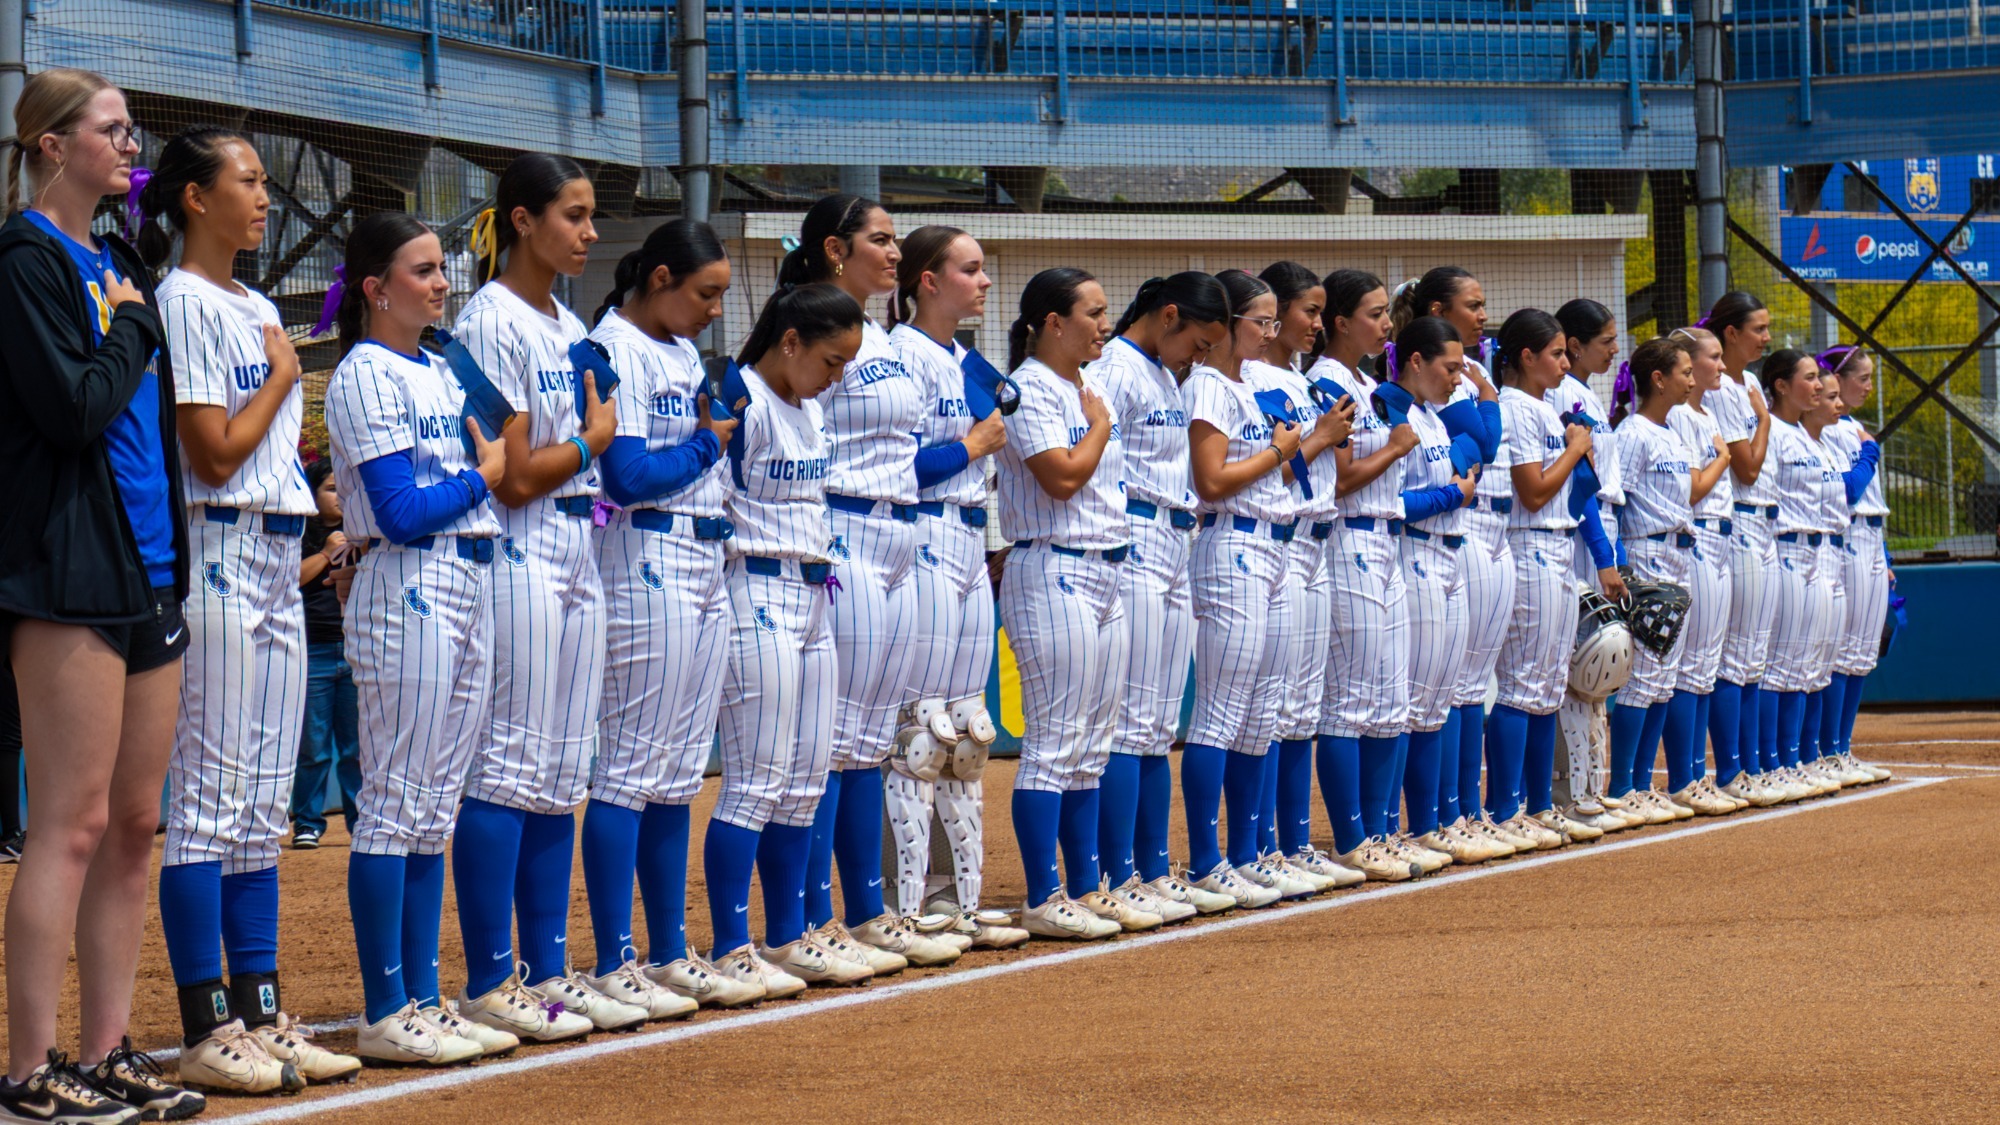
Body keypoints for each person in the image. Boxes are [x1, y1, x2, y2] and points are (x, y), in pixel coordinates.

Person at [137, 125, 362, 1091]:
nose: (265, 197)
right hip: (221, 547)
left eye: (267, 182)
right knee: (208, 801)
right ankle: (203, 1021)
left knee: (260, 805)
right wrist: (281, 378)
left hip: (274, 551)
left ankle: (260, 1011)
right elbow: (212, 452)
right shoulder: (182, 299)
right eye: (249, 180)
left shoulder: (255, 299)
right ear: (194, 197)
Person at [0, 67, 204, 1125]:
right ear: (49, 144)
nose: (133, 147)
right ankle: (29, 1070)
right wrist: (129, 327)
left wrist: (129, 309)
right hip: (69, 568)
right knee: (69, 826)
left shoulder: (118, 255)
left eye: (132, 130)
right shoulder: (23, 260)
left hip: (149, 565)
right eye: (113, 131)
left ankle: (109, 1047)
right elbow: (75, 408)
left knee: (135, 824)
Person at [450, 154, 645, 1035]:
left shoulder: (566, 319)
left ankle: (547, 970)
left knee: (562, 768)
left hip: (576, 543)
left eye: (591, 215)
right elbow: (516, 477)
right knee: (510, 764)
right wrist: (597, 440)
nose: (590, 232)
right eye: (573, 215)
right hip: (523, 547)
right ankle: (494, 976)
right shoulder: (491, 319)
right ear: (522, 220)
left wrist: (587, 450)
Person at [323, 210, 523, 1064]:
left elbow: (512, 426)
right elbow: (400, 513)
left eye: (441, 268)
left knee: (432, 807)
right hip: (410, 583)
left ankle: (424, 996)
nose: (442, 282)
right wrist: (483, 477)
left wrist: (486, 472)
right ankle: (383, 1005)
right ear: (376, 289)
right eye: (423, 269)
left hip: (466, 577)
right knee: (396, 804)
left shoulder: (437, 368)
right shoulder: (366, 372)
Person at [580, 218, 758, 1014]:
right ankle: (616, 953)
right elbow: (625, 474)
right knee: (628, 769)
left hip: (701, 557)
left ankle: (666, 948)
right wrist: (709, 445)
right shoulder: (610, 344)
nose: (715, 308)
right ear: (657, 277)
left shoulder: (681, 351)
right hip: (640, 555)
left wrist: (706, 441)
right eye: (704, 291)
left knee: (677, 772)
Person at [777, 194, 959, 969]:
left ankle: (868, 911)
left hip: (899, 534)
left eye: (893, 241)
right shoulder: (805, 326)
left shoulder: (882, 337)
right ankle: (814, 918)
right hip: (841, 526)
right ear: (833, 250)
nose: (893, 253)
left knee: (870, 741)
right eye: (878, 241)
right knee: (830, 741)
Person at [703, 281, 864, 993]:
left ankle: (789, 935)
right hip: (753, 586)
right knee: (756, 779)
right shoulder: (739, 396)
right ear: (790, 341)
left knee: (804, 782)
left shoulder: (809, 410)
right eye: (831, 360)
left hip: (813, 591)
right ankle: (732, 942)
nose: (837, 378)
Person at [883, 225, 1030, 949]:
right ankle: (904, 905)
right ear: (927, 281)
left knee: (968, 731)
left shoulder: (965, 360)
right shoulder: (898, 357)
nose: (984, 281)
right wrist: (972, 447)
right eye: (969, 270)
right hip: (922, 535)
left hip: (970, 537)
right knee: (921, 730)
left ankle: (957, 902)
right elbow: (896, 464)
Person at [993, 267, 1134, 940]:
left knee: (1093, 742)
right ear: (1053, 321)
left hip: (1107, 567)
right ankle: (1044, 892)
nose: (1105, 323)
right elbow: (1063, 478)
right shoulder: (1027, 389)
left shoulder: (1088, 383)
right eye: (1094, 312)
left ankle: (1086, 884)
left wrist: (1098, 414)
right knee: (1053, 739)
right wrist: (1101, 425)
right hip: (1054, 565)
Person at [1089, 271, 1233, 917]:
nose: (1199, 357)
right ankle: (1120, 874)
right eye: (1197, 342)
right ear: (1168, 314)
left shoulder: (1163, 373)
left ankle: (1150, 866)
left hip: (1176, 538)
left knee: (1156, 723)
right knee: (1132, 722)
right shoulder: (1116, 366)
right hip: (1137, 535)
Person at [1178, 269, 1319, 908]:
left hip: (1276, 543)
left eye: (1271, 321)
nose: (1268, 332)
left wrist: (1290, 454)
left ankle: (1249, 853)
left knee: (1263, 712)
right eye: (1258, 321)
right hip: (1231, 541)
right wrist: (1284, 452)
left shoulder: (1250, 386)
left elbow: (1275, 474)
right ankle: (1208, 860)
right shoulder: (1207, 383)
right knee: (1224, 711)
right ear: (1228, 323)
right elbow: (1211, 480)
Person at [1392, 268, 1525, 858]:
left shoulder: (1455, 381)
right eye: (1473, 305)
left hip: (1468, 535)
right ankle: (1437, 816)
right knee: (1435, 693)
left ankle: (1460, 811)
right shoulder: (1424, 388)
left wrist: (1482, 408)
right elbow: (1482, 446)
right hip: (1443, 536)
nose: (1482, 315)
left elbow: (1476, 449)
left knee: (1464, 687)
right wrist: (1488, 400)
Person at [1245, 261, 1360, 888]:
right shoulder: (1257, 381)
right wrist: (1318, 439)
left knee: (1300, 709)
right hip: (1277, 543)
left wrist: (1323, 440)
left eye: (1319, 311)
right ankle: (1261, 845)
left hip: (1315, 542)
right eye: (1306, 311)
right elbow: (1276, 468)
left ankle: (1290, 842)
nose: (1315, 323)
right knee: (1273, 706)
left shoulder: (1294, 379)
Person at [1477, 308, 1605, 853]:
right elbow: (1531, 491)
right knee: (1525, 684)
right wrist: (1576, 450)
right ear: (1525, 357)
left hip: (1555, 546)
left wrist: (1581, 459)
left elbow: (1565, 493)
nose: (1563, 361)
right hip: (1529, 545)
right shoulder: (1517, 407)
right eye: (1554, 353)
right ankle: (1507, 806)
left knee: (1548, 686)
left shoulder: (1545, 408)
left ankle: (1536, 805)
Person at [1309, 271, 1419, 882]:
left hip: (1386, 544)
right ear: (1340, 321)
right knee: (1351, 700)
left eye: (1386, 313)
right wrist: (1398, 449)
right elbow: (1342, 478)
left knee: (1389, 698)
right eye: (1374, 314)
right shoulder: (1325, 381)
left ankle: (1379, 830)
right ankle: (1352, 837)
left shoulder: (1366, 381)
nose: (1385, 323)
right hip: (1348, 539)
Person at [1605, 337, 1730, 820]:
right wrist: (1620, 568)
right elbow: (1615, 503)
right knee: (1642, 679)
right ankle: (1623, 786)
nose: (1692, 379)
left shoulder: (1673, 432)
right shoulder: (1633, 432)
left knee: (1663, 680)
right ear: (1658, 379)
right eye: (1684, 371)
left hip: (1680, 555)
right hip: (1647, 555)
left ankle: (1641, 785)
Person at [1379, 314, 1480, 873]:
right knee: (1414, 701)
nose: (1456, 378)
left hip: (1447, 557)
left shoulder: (1430, 416)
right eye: (1449, 367)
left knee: (1437, 700)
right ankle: (1407, 827)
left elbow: (1478, 449)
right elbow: (1396, 502)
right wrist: (1449, 495)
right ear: (1415, 361)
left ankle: (1434, 823)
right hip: (1413, 552)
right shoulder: (1390, 407)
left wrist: (1454, 488)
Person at [1665, 327, 1759, 810]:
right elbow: (1691, 488)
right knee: (1692, 665)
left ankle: (1699, 776)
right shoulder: (1678, 416)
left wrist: (1722, 455)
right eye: (1713, 358)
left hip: (1721, 540)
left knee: (1705, 666)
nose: (1722, 367)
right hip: (1696, 536)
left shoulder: (1704, 415)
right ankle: (1685, 777)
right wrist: (1723, 459)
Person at [1549, 298, 1632, 830]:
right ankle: (1570, 792)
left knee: (1597, 673)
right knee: (1581, 669)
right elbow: (1581, 490)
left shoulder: (1586, 395)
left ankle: (1587, 788)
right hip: (1582, 534)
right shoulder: (1565, 396)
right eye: (1605, 340)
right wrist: (1606, 557)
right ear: (1575, 346)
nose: (1615, 349)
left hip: (1598, 529)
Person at [1756, 349, 1851, 800]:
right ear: (1780, 385)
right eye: (1810, 378)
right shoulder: (1771, 430)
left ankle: (1798, 758)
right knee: (1782, 668)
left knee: (1809, 665)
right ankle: (1772, 762)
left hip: (1816, 554)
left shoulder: (1807, 437)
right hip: (1785, 549)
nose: (1818, 386)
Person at [1701, 294, 1779, 803]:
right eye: (1758, 328)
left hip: (1761, 525)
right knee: (1735, 658)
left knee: (1755, 658)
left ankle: (1750, 767)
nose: (1766, 337)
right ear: (1730, 333)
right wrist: (1765, 422)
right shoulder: (1723, 387)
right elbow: (1746, 467)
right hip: (1738, 521)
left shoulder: (1748, 381)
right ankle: (1731, 770)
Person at [1819, 346, 1893, 784]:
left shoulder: (1854, 426)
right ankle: (1828, 750)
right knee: (1843, 651)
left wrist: (1884, 557)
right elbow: (1851, 490)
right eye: (1861, 378)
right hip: (1845, 537)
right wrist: (1870, 453)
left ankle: (1841, 749)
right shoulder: (1830, 428)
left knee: (1863, 653)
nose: (1868, 386)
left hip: (1869, 539)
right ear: (1839, 379)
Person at [291, 458, 363, 846]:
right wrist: (327, 551)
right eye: (332, 489)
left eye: (344, 489)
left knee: (355, 747)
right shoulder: (303, 531)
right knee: (313, 746)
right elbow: (291, 580)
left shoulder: (364, 533)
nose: (340, 497)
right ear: (313, 493)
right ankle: (307, 823)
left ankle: (359, 821)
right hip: (314, 648)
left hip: (354, 648)